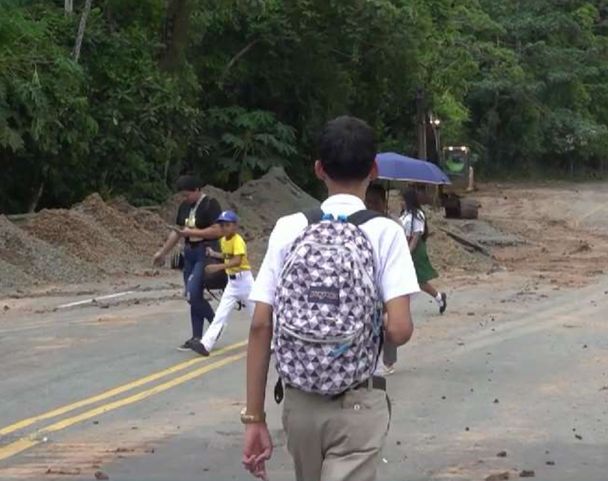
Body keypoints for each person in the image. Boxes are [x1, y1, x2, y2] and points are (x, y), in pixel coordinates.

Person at [242, 116, 420, 481]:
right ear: (374, 169)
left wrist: (254, 417)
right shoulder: (386, 232)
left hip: (300, 402)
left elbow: (261, 325)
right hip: (358, 401)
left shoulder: (289, 228)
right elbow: (400, 329)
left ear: (319, 169)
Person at [152, 175, 222, 350]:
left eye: (187, 195)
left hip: (204, 252)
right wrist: (162, 253)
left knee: (192, 292)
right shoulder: (184, 207)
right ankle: (196, 337)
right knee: (193, 297)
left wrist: (193, 232)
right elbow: (177, 232)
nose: (185, 199)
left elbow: (217, 230)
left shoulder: (210, 204)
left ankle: (215, 325)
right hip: (189, 253)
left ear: (197, 190)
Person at [186, 211, 254, 357]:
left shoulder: (238, 240)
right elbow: (227, 256)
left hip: (245, 282)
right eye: (222, 225)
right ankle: (206, 344)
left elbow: (237, 261)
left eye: (228, 225)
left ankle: (275, 341)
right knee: (220, 315)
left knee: (255, 314)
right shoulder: (223, 241)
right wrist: (214, 254)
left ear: (235, 226)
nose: (224, 228)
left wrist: (217, 267)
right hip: (232, 283)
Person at [365, 184, 398, 376]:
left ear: (383, 203)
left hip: (387, 280)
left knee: (389, 320)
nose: (372, 206)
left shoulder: (393, 226)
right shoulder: (360, 223)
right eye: (368, 202)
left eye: (376, 202)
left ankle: (388, 360)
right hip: (368, 280)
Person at [401, 188, 448, 314]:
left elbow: (416, 236)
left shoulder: (417, 215)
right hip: (405, 245)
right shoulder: (405, 214)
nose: (401, 202)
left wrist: (408, 251)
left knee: (419, 279)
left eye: (403, 200)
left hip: (414, 249)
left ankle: (439, 298)